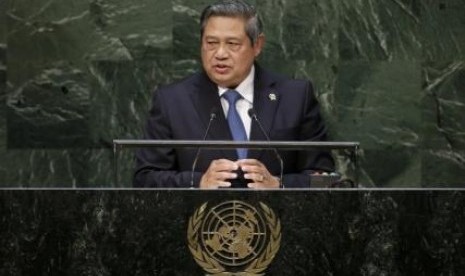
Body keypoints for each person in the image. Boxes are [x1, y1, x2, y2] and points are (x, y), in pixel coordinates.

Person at [133, 0, 334, 189]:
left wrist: (278, 184)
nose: (220, 54)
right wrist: (198, 181)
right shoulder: (172, 101)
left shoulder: (295, 97)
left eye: (232, 44)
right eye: (211, 43)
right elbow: (145, 178)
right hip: (201, 223)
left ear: (257, 45)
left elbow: (323, 178)